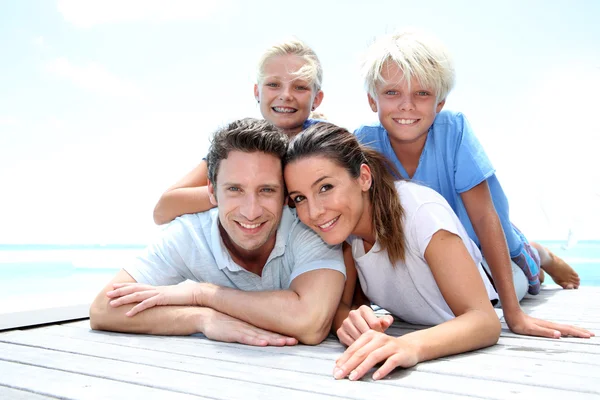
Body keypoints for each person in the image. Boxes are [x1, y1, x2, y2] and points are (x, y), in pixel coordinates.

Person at [283, 122, 594, 381]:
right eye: (299, 198)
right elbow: (345, 306)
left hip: (494, 282)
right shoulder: (343, 234)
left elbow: (485, 321)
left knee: (524, 276)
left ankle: (538, 253)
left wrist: (409, 346)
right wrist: (349, 321)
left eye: (325, 187)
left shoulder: (420, 211)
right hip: (441, 300)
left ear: (364, 177)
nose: (315, 211)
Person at [354, 29, 584, 338]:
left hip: (485, 240)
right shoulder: (365, 142)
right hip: (435, 253)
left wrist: (514, 315)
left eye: (421, 93)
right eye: (392, 93)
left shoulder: (454, 131)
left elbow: (484, 218)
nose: (406, 105)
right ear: (372, 100)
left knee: (526, 281)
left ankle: (537, 254)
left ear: (439, 103)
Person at [89, 118, 346, 346]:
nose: (251, 211)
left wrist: (204, 294)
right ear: (212, 192)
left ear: (285, 196)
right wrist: (200, 318)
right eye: (235, 189)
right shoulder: (189, 235)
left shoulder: (308, 228)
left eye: (267, 190)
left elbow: (311, 324)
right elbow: (103, 310)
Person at [153, 37, 325, 225]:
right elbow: (163, 210)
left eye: (300, 87)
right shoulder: (240, 146)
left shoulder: (326, 145)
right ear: (257, 92)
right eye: (273, 84)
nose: (285, 95)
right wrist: (234, 191)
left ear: (316, 99)